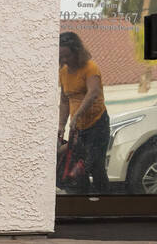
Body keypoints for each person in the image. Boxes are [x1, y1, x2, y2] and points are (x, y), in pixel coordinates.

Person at [58, 31, 111, 195]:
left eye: (67, 55)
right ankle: (83, 204)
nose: (65, 60)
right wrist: (61, 124)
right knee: (78, 168)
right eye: (61, 56)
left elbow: (93, 93)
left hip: (97, 124)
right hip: (78, 128)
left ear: (77, 52)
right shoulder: (63, 72)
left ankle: (106, 204)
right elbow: (65, 100)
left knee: (94, 166)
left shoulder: (90, 67)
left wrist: (77, 115)